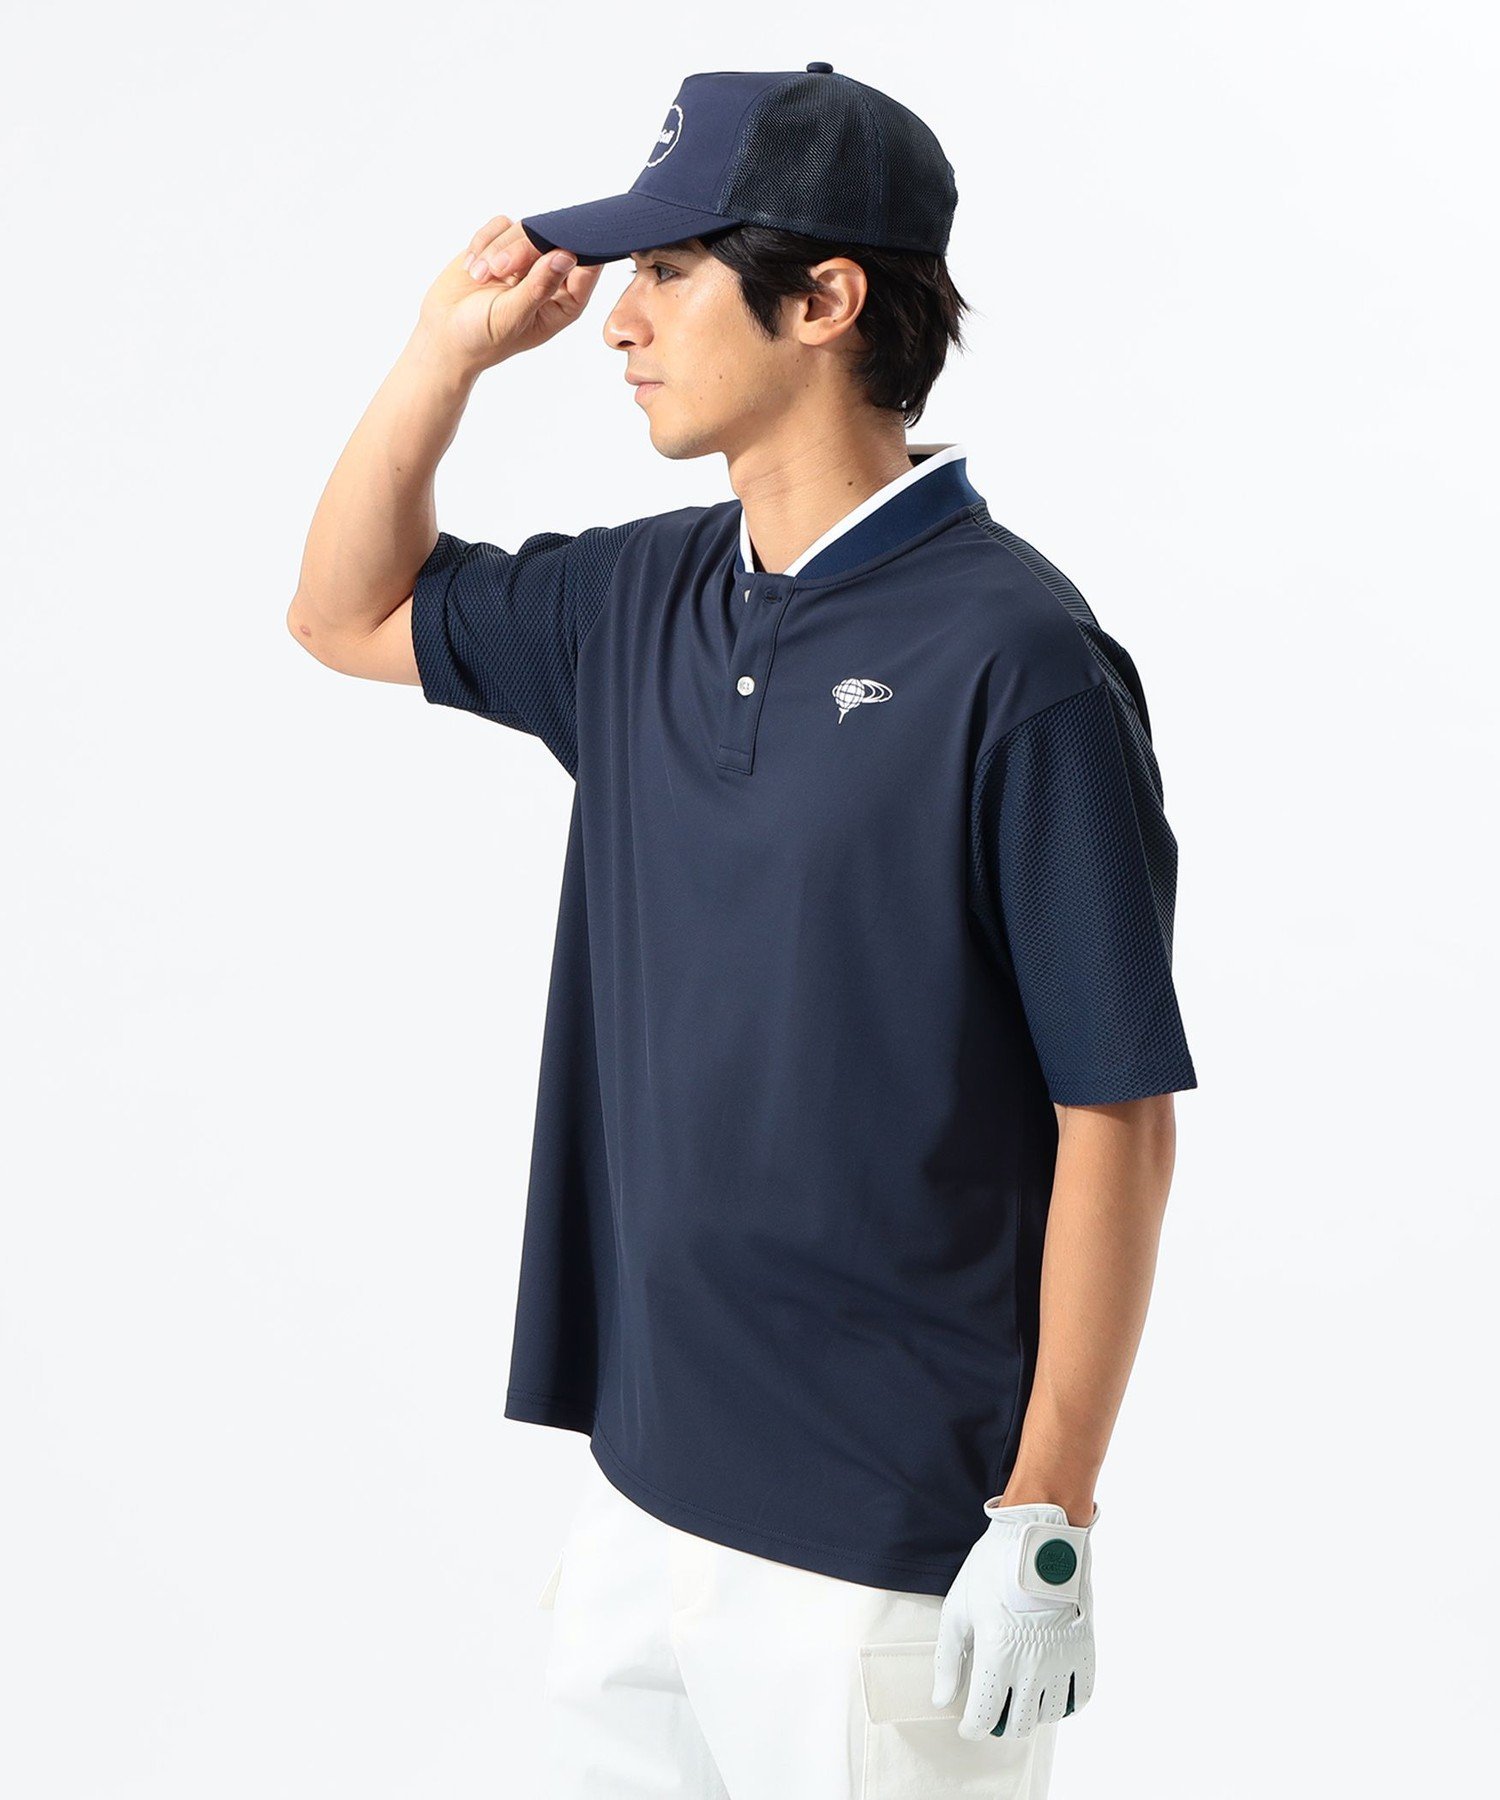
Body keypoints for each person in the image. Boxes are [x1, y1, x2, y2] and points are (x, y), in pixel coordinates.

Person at [288, 62, 1198, 1800]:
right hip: (642, 1501)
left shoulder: (1019, 663)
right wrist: (439, 361)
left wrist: (1050, 1516)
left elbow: (1117, 1115)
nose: (619, 321)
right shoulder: (641, 597)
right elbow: (342, 612)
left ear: (826, 299)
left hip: (882, 1551)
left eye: (669, 270)